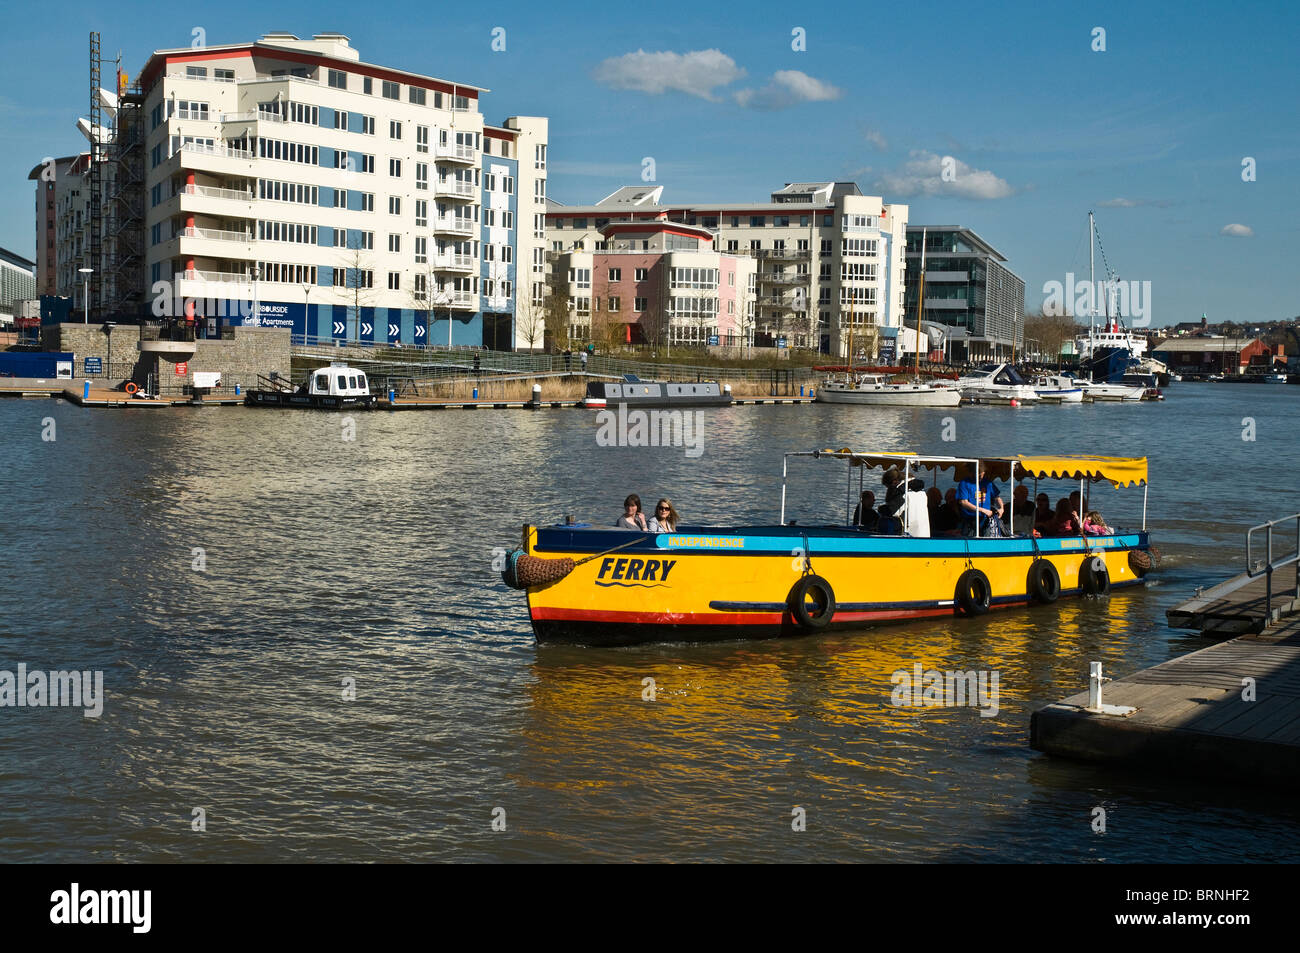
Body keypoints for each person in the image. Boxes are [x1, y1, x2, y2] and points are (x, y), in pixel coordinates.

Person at [956, 464, 999, 536]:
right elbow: (963, 502)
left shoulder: (988, 483)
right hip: (970, 518)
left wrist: (1001, 508)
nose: (980, 477)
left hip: (985, 519)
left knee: (988, 539)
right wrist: (982, 510)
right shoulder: (964, 483)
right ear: (972, 473)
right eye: (978, 475)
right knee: (971, 539)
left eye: (982, 474)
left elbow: (997, 497)